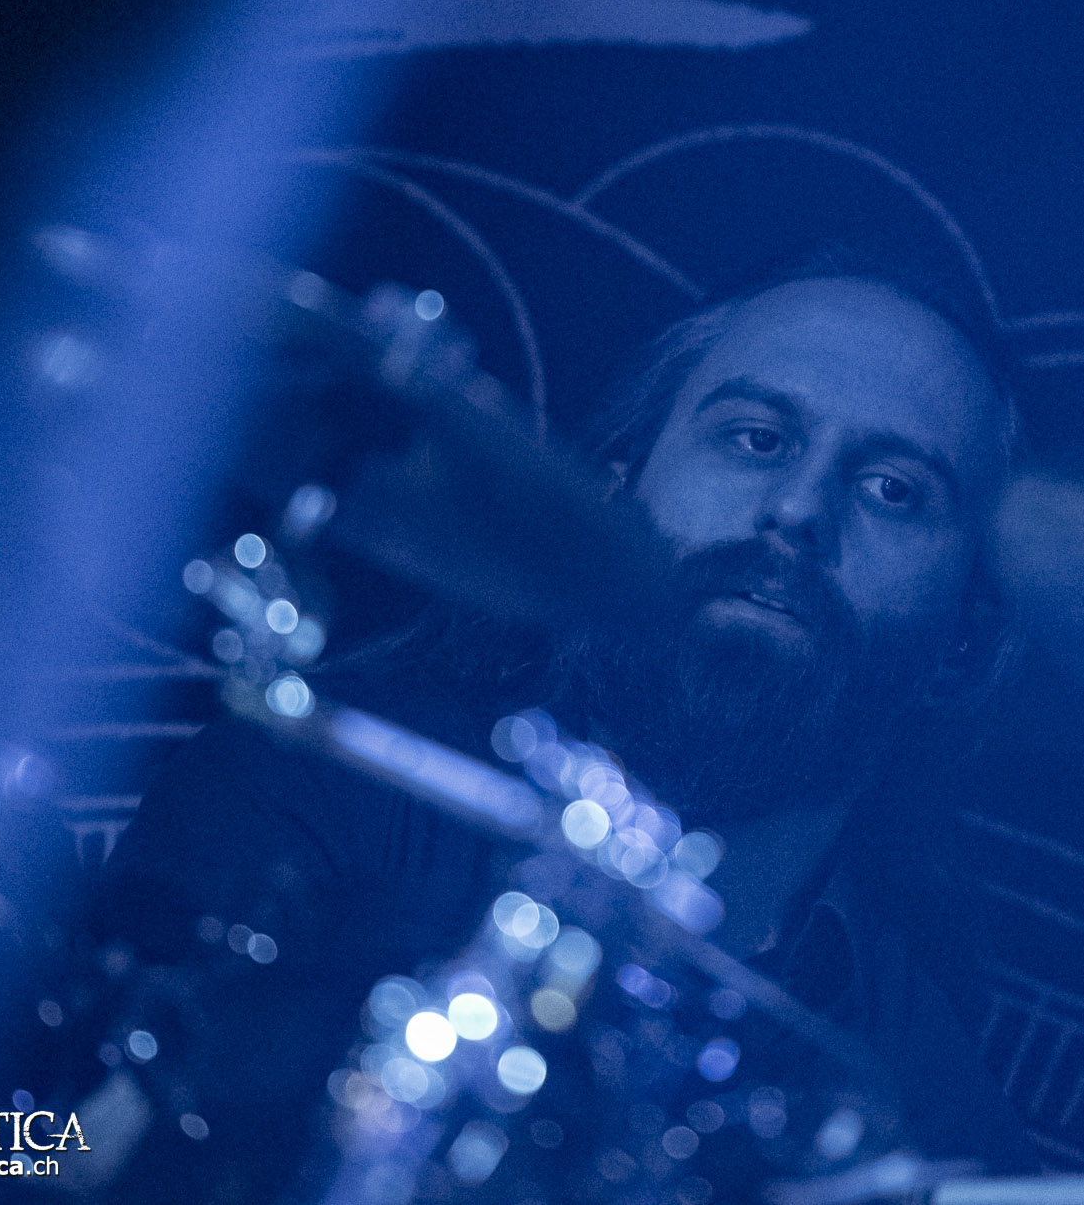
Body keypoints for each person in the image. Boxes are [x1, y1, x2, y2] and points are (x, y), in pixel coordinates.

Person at [80, 267, 1035, 1202]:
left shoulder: (928, 1105)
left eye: (894, 489)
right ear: (617, 489)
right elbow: (44, 1142)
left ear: (965, 638)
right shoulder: (320, 775)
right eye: (756, 438)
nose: (798, 509)